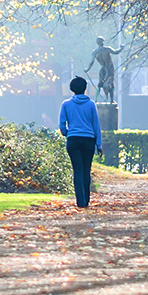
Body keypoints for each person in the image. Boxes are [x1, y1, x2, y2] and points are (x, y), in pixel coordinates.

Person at [59, 76, 103, 207]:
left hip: (73, 139)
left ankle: (80, 201)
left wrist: (68, 133)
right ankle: (86, 199)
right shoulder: (91, 105)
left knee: (77, 169)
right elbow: (96, 126)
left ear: (72, 89)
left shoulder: (66, 104)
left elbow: (62, 125)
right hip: (88, 140)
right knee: (86, 169)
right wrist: (99, 145)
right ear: (85, 88)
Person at [84, 37, 123, 104]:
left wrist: (87, 69)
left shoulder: (95, 52)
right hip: (109, 69)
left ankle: (95, 99)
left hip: (102, 69)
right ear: (102, 42)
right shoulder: (107, 49)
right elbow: (116, 52)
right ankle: (111, 100)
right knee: (111, 84)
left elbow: (91, 63)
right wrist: (121, 48)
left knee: (100, 84)